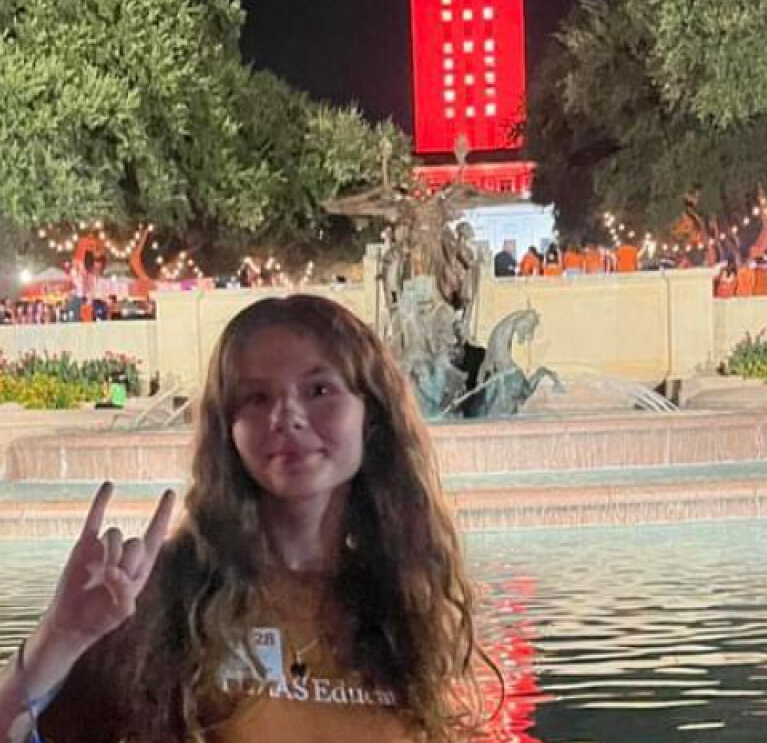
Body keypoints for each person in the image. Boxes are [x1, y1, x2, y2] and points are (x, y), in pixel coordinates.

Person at [0, 295, 491, 743]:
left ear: (372, 416)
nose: (287, 416)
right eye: (256, 398)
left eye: (319, 389)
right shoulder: (164, 595)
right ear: (227, 430)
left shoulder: (405, 599)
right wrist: (61, 637)